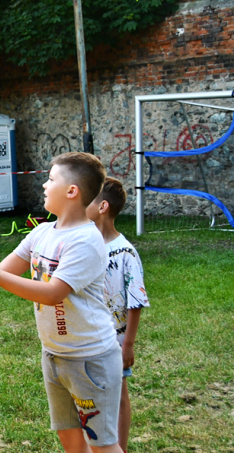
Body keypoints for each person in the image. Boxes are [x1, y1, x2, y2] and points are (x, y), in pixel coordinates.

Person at [0, 152, 123, 453]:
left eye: (51, 179)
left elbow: (53, 292)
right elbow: (1, 270)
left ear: (72, 191)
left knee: (102, 445)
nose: (43, 185)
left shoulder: (85, 240)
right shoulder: (42, 232)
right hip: (54, 355)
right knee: (70, 439)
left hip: (90, 359)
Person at [86, 177, 149, 453]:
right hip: (86, 338)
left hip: (114, 343)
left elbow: (136, 300)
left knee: (119, 395)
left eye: (88, 200)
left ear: (102, 207)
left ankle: (119, 448)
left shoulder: (125, 253)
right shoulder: (84, 245)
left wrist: (129, 344)